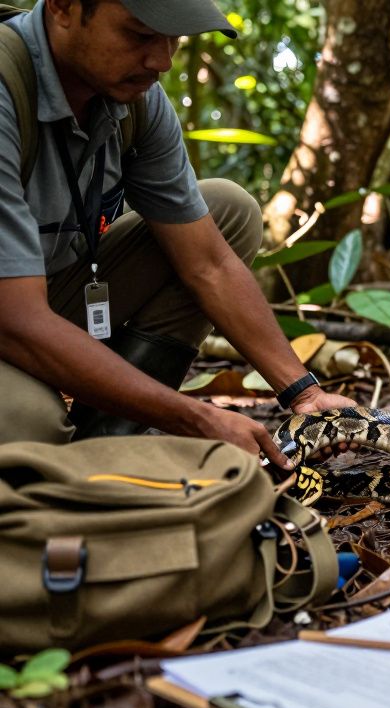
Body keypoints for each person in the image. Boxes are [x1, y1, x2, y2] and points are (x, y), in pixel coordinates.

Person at [0, 0, 354, 468]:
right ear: (64, 7)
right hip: (13, 311)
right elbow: (16, 318)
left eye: (174, 38)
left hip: (41, 296)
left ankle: (102, 450)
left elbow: (209, 262)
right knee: (31, 426)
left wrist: (303, 393)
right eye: (140, 35)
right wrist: (195, 419)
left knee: (227, 210)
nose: (162, 60)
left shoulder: (134, 100)